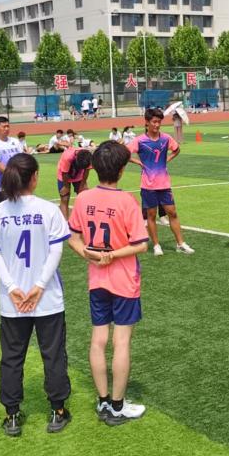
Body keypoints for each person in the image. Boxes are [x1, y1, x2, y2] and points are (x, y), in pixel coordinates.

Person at [0, 153, 73, 437]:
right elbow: (56, 250)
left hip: (13, 302)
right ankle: (57, 410)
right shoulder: (49, 210)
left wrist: (12, 287)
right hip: (47, 299)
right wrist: (40, 285)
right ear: (34, 177)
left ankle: (11, 415)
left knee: (11, 357)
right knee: (53, 354)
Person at [67, 142, 149, 426]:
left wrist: (89, 254)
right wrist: (112, 254)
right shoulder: (126, 201)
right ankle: (116, 406)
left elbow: (73, 238)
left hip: (97, 281)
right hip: (124, 281)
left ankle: (103, 400)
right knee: (121, 341)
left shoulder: (83, 198)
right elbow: (141, 244)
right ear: (122, 170)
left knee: (98, 339)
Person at [127, 108, 195, 256]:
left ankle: (180, 243)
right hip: (148, 185)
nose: (157, 125)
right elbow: (124, 153)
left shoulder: (166, 138)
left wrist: (167, 159)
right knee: (151, 215)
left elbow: (176, 150)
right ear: (147, 122)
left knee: (172, 213)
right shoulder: (140, 140)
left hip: (164, 184)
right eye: (154, 122)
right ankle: (156, 245)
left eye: (159, 122)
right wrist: (138, 162)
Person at [0, 116, 24, 203]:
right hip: (3, 186)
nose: (7, 129)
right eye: (4, 127)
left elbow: (22, 158)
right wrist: (13, 174)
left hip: (19, 184)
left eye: (8, 126)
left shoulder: (15, 141)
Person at [56, 145, 92, 220]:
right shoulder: (67, 157)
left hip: (79, 176)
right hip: (64, 176)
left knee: (84, 196)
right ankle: (65, 223)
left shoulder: (88, 157)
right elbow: (64, 173)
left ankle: (84, 221)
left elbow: (86, 171)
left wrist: (82, 184)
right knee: (65, 197)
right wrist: (66, 187)